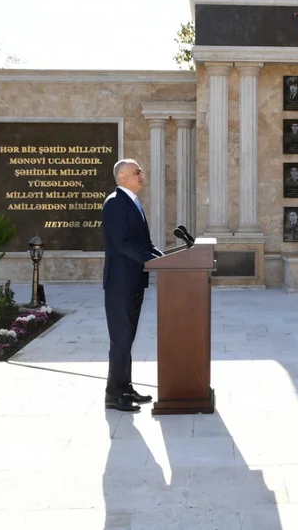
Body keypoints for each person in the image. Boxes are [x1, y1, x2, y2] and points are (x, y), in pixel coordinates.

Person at [101, 158, 163, 412]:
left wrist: (164, 258)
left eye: (141, 170)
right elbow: (123, 243)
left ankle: (125, 388)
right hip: (120, 283)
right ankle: (113, 395)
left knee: (127, 339)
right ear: (122, 177)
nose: (142, 174)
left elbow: (144, 243)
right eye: (137, 171)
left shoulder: (133, 202)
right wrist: (151, 259)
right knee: (121, 339)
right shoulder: (114, 203)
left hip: (134, 281)